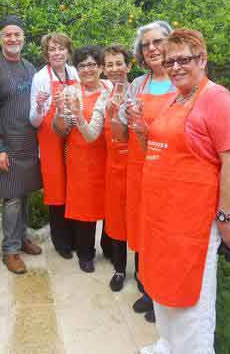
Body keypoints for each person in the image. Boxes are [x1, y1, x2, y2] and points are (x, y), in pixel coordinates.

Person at [136, 29, 230, 354]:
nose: (175, 67)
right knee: (162, 290)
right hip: (160, 220)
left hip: (191, 225)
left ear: (203, 59)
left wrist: (226, 219)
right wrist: (142, 131)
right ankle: (166, 346)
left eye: (184, 59)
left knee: (192, 305)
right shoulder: (174, 96)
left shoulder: (216, 98)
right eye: (170, 61)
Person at [112, 21, 175, 322]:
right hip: (139, 171)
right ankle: (147, 289)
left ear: (171, 44)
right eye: (146, 44)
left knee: (164, 232)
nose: (152, 48)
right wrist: (117, 115)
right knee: (141, 228)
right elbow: (122, 135)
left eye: (158, 42)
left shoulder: (182, 83)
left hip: (170, 172)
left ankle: (163, 294)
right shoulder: (138, 85)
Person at [0, 15, 43, 275]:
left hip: (28, 142)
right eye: (8, 35)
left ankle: (22, 237)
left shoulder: (29, 67)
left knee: (25, 193)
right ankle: (10, 250)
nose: (12, 39)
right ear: (1, 38)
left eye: (17, 34)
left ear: (23, 38)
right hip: (7, 145)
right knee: (13, 198)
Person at [53, 45, 111, 273]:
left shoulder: (109, 90)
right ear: (77, 69)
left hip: (106, 156)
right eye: (82, 65)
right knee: (84, 206)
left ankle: (110, 248)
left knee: (108, 204)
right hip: (79, 158)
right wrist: (59, 113)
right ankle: (86, 253)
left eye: (91, 65)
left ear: (101, 68)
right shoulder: (69, 92)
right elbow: (61, 131)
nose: (87, 70)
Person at [29, 32, 79, 260]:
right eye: (52, 49)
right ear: (46, 53)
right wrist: (39, 106)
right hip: (50, 140)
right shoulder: (40, 77)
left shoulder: (75, 72)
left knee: (75, 186)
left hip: (74, 134)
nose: (57, 53)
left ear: (68, 51)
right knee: (57, 188)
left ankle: (76, 237)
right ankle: (61, 241)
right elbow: (34, 120)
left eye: (61, 48)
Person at [102, 45, 132, 292]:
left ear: (129, 66)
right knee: (116, 219)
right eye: (109, 65)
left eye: (118, 63)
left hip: (135, 165)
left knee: (139, 219)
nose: (114, 69)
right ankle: (120, 269)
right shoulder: (103, 95)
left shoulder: (140, 91)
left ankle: (143, 274)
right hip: (113, 166)